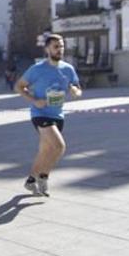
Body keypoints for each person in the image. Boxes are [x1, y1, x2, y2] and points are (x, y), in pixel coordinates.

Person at [15, 34, 82, 197]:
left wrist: (75, 91)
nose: (60, 49)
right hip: (40, 114)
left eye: (62, 46)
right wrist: (34, 100)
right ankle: (44, 177)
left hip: (58, 115)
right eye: (56, 46)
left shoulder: (68, 69)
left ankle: (31, 180)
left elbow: (78, 89)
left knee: (45, 151)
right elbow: (19, 86)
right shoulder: (37, 69)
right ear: (47, 49)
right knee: (59, 146)